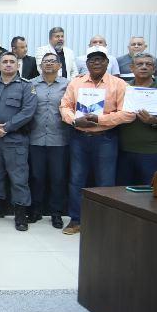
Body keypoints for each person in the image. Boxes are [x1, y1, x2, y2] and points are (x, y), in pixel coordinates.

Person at [59, 46, 136, 235]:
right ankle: (76, 220)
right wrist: (75, 120)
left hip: (106, 139)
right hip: (78, 138)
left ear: (107, 63)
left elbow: (128, 114)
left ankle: (104, 222)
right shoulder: (76, 83)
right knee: (76, 180)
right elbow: (65, 106)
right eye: (92, 60)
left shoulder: (119, 84)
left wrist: (99, 120)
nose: (96, 63)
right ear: (86, 63)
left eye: (101, 60)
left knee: (105, 182)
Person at [0, 52, 37, 231]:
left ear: (17, 65)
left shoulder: (26, 86)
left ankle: (20, 213)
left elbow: (28, 111)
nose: (8, 65)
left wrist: (6, 127)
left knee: (19, 178)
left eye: (12, 62)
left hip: (16, 140)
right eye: (4, 62)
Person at [117, 53, 157, 186]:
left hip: (152, 152)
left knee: (149, 194)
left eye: (149, 64)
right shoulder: (122, 89)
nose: (144, 67)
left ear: (154, 69)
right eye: (139, 64)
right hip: (122, 151)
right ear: (131, 68)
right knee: (121, 193)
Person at [28, 52, 70, 229]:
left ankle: (56, 213)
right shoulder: (31, 84)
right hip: (35, 138)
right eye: (45, 62)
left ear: (59, 65)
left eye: (53, 61)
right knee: (37, 176)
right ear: (40, 65)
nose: (49, 64)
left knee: (58, 178)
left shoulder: (68, 85)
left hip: (59, 139)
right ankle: (36, 210)